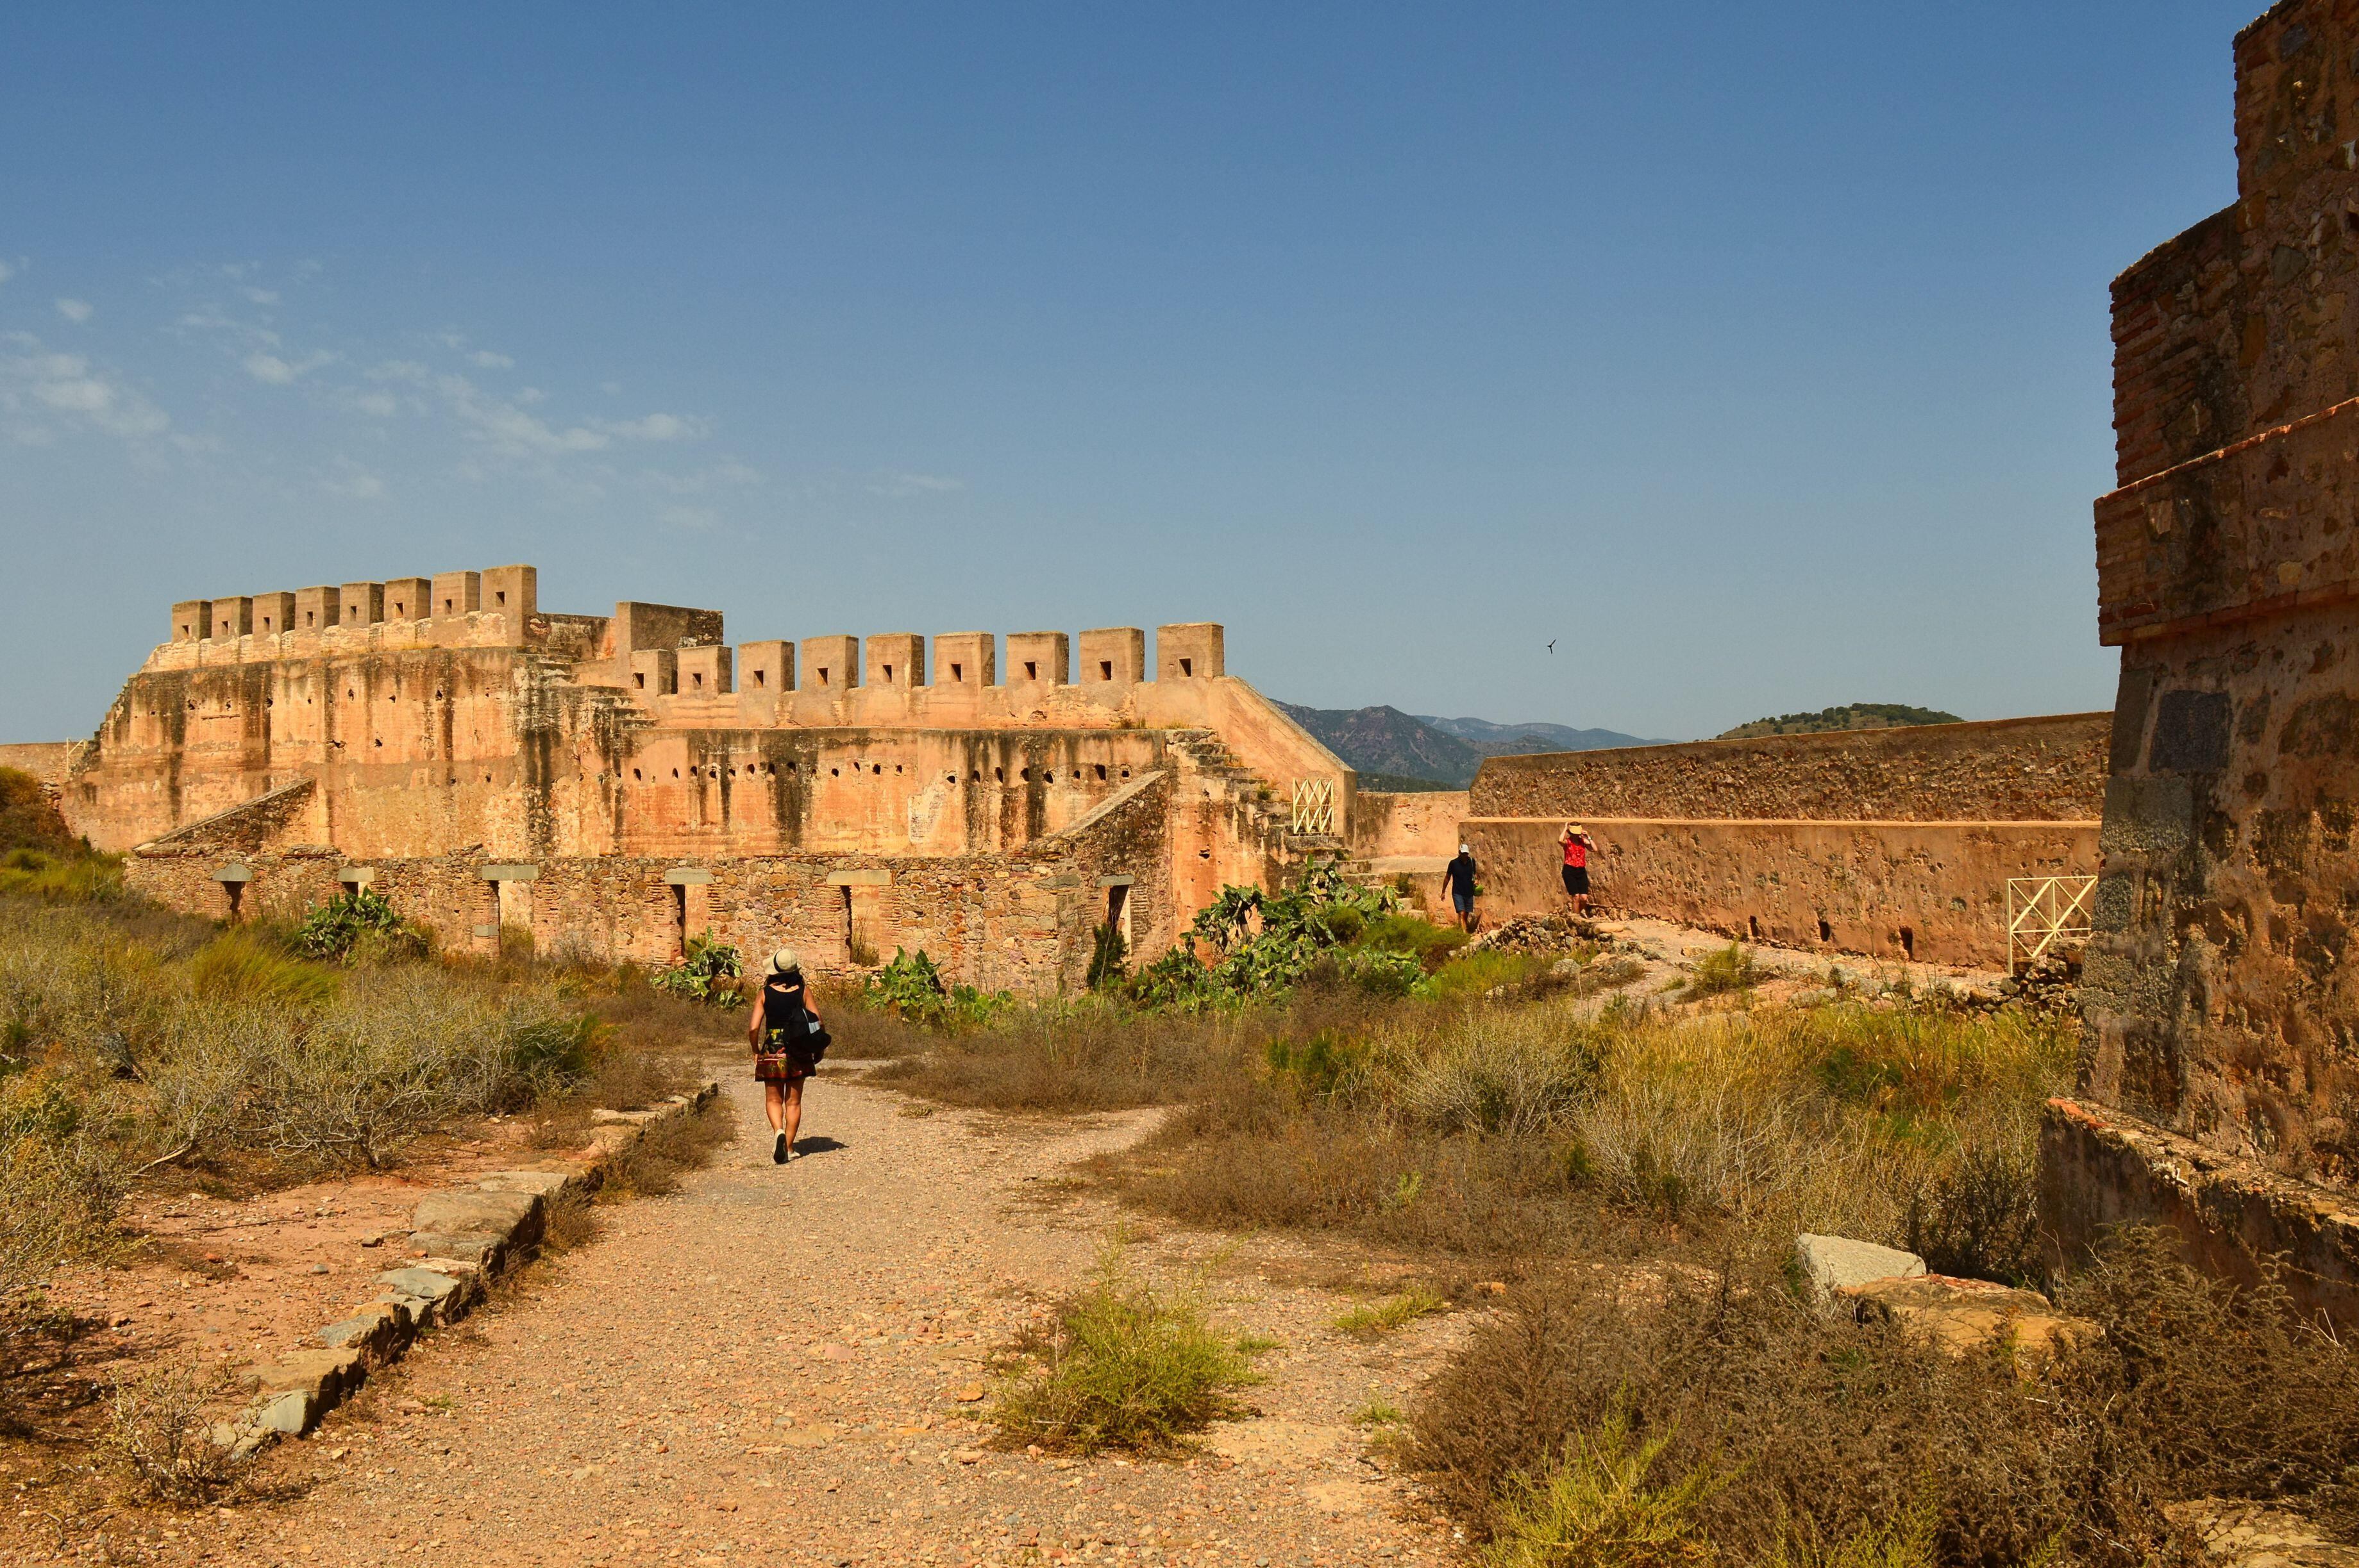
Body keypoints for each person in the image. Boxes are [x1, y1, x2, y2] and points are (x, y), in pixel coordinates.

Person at [746, 947, 824, 1164]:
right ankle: (789, 1148)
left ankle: (778, 1131)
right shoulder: (803, 991)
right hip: (799, 1048)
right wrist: (818, 1049)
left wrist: (755, 1050)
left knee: (773, 1099)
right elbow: (818, 1020)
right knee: (794, 1102)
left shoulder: (764, 993)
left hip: (773, 1048)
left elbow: (753, 1028)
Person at [1443, 842, 1479, 933]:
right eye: (1463, 854)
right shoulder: (1453, 863)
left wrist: (1477, 880)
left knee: (1466, 913)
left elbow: (1475, 874)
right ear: (1459, 853)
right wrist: (1443, 891)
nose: (1465, 856)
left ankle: (1463, 927)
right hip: (1457, 892)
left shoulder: (1472, 861)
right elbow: (1447, 877)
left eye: (1466, 854)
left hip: (1469, 892)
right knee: (1461, 912)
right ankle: (1464, 933)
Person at [1559, 824, 1594, 916]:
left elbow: (1594, 849)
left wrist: (1589, 837)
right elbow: (1560, 841)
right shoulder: (1568, 842)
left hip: (1581, 870)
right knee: (1576, 897)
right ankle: (1576, 918)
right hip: (1569, 870)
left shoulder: (1583, 841)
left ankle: (1582, 914)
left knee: (1584, 898)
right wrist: (1565, 828)